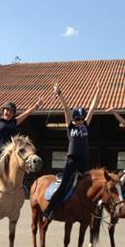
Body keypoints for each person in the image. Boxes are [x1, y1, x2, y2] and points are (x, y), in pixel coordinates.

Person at [42, 82, 100, 220]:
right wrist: (60, 94)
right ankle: (49, 209)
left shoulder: (86, 124)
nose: (80, 121)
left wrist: (97, 92)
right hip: (72, 160)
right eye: (77, 119)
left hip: (84, 160)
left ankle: (91, 209)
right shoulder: (70, 127)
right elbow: (66, 110)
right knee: (64, 184)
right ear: (73, 119)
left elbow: (93, 108)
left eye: (81, 118)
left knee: (90, 184)